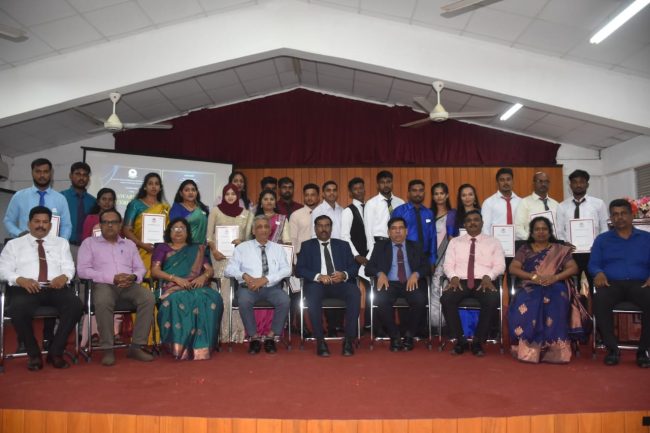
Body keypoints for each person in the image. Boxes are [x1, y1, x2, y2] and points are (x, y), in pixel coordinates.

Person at [0, 206, 82, 370]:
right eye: (37, 221)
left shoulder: (61, 243)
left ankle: (56, 352)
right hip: (26, 288)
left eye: (45, 222)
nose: (41, 225)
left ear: (50, 225)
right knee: (17, 309)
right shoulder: (14, 245)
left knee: (75, 305)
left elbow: (69, 267)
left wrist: (64, 276)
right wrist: (19, 279)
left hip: (55, 287)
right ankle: (33, 354)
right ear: (29, 223)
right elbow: (3, 269)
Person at [77, 208, 155, 366]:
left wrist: (133, 277)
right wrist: (111, 278)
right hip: (103, 284)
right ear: (100, 225)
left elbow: (140, 268)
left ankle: (136, 347)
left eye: (113, 222)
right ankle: (107, 349)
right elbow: (83, 271)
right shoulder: (89, 243)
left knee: (148, 298)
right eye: (106, 222)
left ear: (120, 225)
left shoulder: (129, 244)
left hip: (128, 285)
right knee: (103, 301)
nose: (110, 225)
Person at [151, 218, 224, 360]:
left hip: (196, 286)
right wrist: (175, 278)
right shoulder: (162, 248)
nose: (178, 231)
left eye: (182, 228)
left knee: (212, 298)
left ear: (188, 232)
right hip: (172, 287)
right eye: (175, 228)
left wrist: (203, 277)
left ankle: (202, 346)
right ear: (169, 231)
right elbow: (155, 271)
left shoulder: (197, 249)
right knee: (178, 299)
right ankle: (179, 347)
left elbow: (209, 270)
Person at [508, 216, 579, 364]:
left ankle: (555, 351)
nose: (541, 232)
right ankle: (530, 350)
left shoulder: (559, 249)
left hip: (555, 284)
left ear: (550, 231)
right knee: (528, 302)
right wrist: (532, 276)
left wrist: (555, 277)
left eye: (544, 229)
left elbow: (573, 268)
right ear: (532, 232)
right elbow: (513, 268)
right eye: (537, 229)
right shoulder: (525, 249)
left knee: (557, 300)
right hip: (530, 285)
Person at [589, 199, 650, 368]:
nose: (619, 217)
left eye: (623, 213)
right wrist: (598, 272)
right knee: (600, 299)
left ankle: (643, 350)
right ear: (611, 218)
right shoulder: (602, 240)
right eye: (615, 214)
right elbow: (593, 264)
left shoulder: (646, 238)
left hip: (640, 284)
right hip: (612, 284)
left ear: (632, 215)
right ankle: (612, 349)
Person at [441, 210, 505, 356]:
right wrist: (453, 277)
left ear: (482, 223)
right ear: (464, 224)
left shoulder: (493, 242)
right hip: (460, 281)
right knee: (446, 299)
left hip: (484, 281)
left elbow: (500, 265)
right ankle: (460, 340)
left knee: (492, 299)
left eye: (476, 220)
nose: (472, 223)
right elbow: (448, 265)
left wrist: (489, 276)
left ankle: (478, 341)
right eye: (469, 220)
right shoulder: (454, 242)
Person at [225, 215, 292, 354]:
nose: (263, 230)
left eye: (266, 227)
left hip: (272, 287)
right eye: (259, 227)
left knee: (285, 300)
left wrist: (266, 279)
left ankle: (271, 337)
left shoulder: (278, 248)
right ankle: (254, 337)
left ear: (270, 230)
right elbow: (229, 270)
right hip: (248, 288)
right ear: (253, 231)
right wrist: (245, 276)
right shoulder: (242, 248)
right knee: (244, 301)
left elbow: (287, 269)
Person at [296, 215, 360, 357]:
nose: (323, 229)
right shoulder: (307, 246)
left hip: (340, 284)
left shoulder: (343, 245)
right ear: (315, 228)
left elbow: (354, 268)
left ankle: (349, 339)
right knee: (312, 295)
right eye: (320, 226)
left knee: (354, 292)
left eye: (327, 225)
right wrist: (318, 276)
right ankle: (320, 340)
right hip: (317, 285)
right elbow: (299, 270)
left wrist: (343, 274)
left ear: (331, 228)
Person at [365, 217, 429, 351]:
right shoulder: (380, 247)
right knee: (381, 299)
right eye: (394, 229)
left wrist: (416, 274)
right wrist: (380, 274)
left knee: (420, 299)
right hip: (390, 283)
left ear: (406, 231)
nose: (397, 231)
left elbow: (427, 267)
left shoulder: (416, 246)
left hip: (410, 282)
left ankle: (409, 335)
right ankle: (394, 336)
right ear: (388, 232)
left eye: (401, 228)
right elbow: (369, 268)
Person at [206, 183, 251, 343]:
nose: (230, 197)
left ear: (238, 196)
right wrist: (214, 250)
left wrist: (242, 242)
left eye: (233, 194)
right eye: (227, 194)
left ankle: (237, 332)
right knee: (222, 294)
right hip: (219, 258)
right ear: (223, 196)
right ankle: (221, 333)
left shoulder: (247, 214)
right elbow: (209, 236)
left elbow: (249, 238)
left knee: (238, 294)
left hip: (239, 258)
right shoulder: (215, 211)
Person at [556, 170, 608, 291]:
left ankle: (594, 303)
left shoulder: (599, 204)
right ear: (570, 185)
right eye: (575, 182)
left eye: (581, 182)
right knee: (571, 286)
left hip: (593, 251)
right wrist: (564, 244)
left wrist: (598, 244)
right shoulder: (562, 206)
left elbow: (605, 227)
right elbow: (559, 230)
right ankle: (575, 304)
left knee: (596, 284)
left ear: (587, 184)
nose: (578, 185)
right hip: (571, 253)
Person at [4, 158, 72, 240]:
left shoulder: (60, 199)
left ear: (51, 173)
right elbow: (8, 221)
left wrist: (62, 242)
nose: (42, 175)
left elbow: (66, 226)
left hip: (52, 245)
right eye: (38, 171)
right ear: (32, 173)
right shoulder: (19, 196)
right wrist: (19, 233)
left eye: (45, 172)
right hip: (25, 243)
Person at [123, 172, 170, 276]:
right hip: (138, 250)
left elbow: (169, 232)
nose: (154, 186)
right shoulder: (135, 204)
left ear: (160, 188)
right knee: (140, 277)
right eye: (150, 183)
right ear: (145, 187)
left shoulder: (165, 208)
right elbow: (126, 229)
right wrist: (141, 244)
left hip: (159, 251)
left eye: (157, 184)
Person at [392, 179, 437, 274]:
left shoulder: (429, 213)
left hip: (425, 258)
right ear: (408, 193)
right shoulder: (399, 211)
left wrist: (433, 260)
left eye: (421, 190)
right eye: (414, 190)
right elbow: (394, 236)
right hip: (405, 257)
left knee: (424, 283)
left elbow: (433, 237)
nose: (418, 194)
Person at [364, 171, 405, 253]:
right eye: (382, 182)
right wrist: (372, 250)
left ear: (392, 183)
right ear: (378, 185)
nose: (386, 185)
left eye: (388, 182)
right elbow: (368, 229)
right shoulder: (371, 203)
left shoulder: (400, 203)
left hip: (398, 243)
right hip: (379, 243)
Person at [60, 161, 95, 249]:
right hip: (64, 245)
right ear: (70, 176)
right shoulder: (61, 197)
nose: (81, 178)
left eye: (85, 175)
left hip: (87, 247)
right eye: (78, 174)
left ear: (88, 178)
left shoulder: (93, 201)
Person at [515, 172, 559, 240]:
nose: (543, 184)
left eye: (546, 181)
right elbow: (518, 228)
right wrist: (532, 240)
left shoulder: (556, 204)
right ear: (533, 184)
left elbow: (560, 228)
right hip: (532, 244)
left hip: (553, 244)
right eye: (540, 181)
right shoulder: (524, 203)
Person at [481, 168, 521, 236]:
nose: (506, 183)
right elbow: (485, 228)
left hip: (518, 240)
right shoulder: (489, 203)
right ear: (497, 183)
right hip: (496, 241)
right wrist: (490, 242)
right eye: (502, 180)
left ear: (512, 181)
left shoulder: (521, 202)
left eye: (508, 179)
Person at [169, 179, 210, 245]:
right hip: (183, 247)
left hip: (202, 248)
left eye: (193, 190)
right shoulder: (177, 209)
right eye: (187, 190)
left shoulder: (203, 208)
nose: (190, 192)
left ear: (197, 192)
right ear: (181, 193)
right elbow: (175, 229)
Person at [340, 177, 368, 267]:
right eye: (355, 189)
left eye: (361, 188)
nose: (359, 191)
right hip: (356, 258)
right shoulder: (347, 211)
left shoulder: (370, 207)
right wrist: (356, 255)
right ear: (350, 193)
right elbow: (345, 236)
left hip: (371, 255)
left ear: (364, 190)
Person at [290, 183, 320, 258]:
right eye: (306, 195)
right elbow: (292, 238)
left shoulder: (324, 213)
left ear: (318, 197)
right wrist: (294, 259)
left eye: (312, 195)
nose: (309, 198)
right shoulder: (296, 215)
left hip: (321, 254)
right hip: (302, 255)